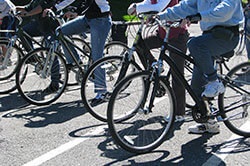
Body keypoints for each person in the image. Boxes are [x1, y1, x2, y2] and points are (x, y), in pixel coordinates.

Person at [156, 0, 244, 134]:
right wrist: (160, 15)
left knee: (194, 44)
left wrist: (200, 16)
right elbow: (185, 6)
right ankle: (209, 122)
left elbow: (225, 11)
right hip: (209, 37)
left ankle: (214, 81)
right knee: (196, 85)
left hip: (227, 37)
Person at [127, 0, 189, 122]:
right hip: (162, 34)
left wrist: (136, 7)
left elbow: (160, 6)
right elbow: (150, 2)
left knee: (177, 74)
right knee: (140, 44)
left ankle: (179, 113)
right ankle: (154, 68)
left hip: (177, 35)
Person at [56, 0, 112, 105]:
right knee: (60, 32)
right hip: (87, 19)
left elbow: (90, 2)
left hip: (101, 20)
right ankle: (74, 61)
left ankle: (102, 92)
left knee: (97, 57)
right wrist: (55, 7)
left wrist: (77, 12)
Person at [0, 0, 16, 65]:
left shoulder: (3, 2)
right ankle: (5, 58)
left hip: (7, 17)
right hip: (8, 16)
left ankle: (6, 59)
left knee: (3, 39)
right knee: (4, 38)